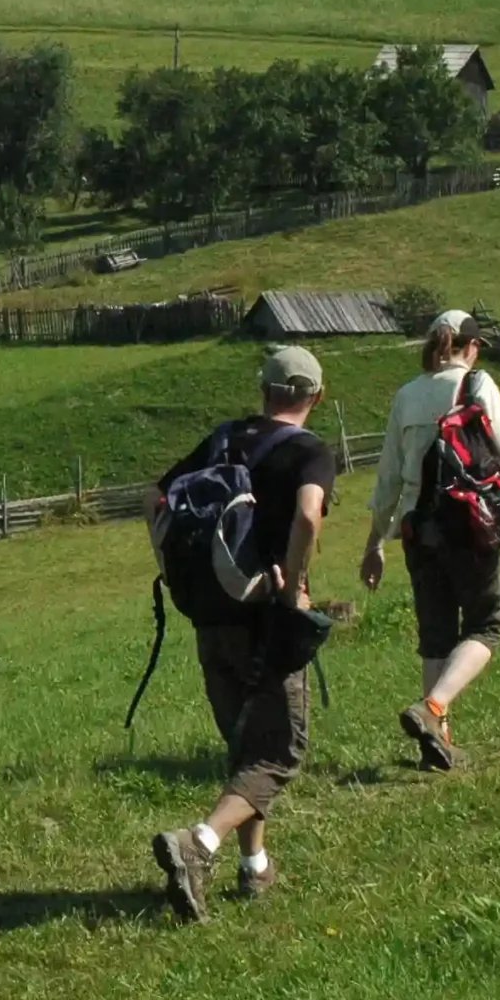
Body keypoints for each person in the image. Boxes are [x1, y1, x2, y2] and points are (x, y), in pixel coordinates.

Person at [152, 345, 338, 918]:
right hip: (266, 622)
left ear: (263, 389)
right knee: (279, 752)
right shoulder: (310, 452)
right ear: (317, 396)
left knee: (245, 748)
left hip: (211, 617)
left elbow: (156, 497)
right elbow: (308, 515)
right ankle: (199, 844)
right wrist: (293, 584)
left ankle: (254, 866)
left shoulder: (223, 440)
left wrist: (170, 569)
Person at [360, 310, 500, 772]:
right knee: (488, 625)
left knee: (436, 637)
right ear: (470, 347)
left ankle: (438, 746)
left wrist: (375, 543)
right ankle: (432, 710)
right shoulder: (478, 385)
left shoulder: (406, 396)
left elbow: (388, 476)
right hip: (470, 523)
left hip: (417, 529)